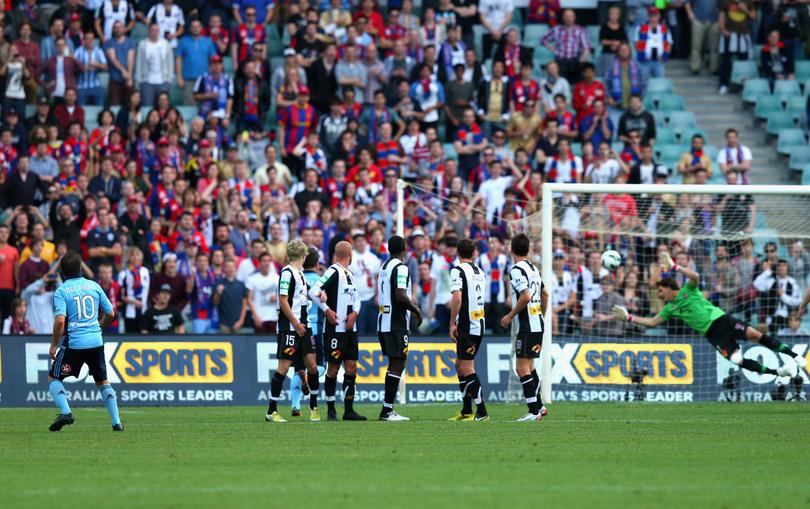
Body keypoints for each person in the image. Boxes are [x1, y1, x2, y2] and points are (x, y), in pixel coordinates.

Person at [612, 252, 806, 377]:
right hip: (712, 335)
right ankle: (778, 372)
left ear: (669, 288)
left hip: (722, 320)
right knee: (737, 360)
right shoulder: (670, 308)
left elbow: (695, 276)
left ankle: (794, 355)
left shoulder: (689, 290)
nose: (660, 295)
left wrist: (674, 267)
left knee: (756, 335)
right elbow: (653, 322)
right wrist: (629, 317)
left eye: (661, 291)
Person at [47, 251, 122, 432]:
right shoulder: (94, 286)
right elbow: (110, 313)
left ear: (63, 272)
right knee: (103, 381)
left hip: (75, 343)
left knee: (54, 377)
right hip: (96, 342)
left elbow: (59, 321)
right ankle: (116, 423)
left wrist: (54, 345)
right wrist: (99, 327)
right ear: (80, 268)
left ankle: (66, 412)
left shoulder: (62, 291)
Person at [308, 240, 367, 421]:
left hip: (351, 329)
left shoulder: (350, 273)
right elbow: (313, 291)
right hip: (335, 330)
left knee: (351, 367)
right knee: (333, 368)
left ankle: (349, 410)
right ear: (350, 255)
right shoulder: (333, 271)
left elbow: (357, 298)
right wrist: (327, 310)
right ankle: (331, 409)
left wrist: (356, 313)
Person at [265, 240, 321, 423]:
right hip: (290, 328)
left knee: (312, 366)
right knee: (283, 367)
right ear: (304, 256)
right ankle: (271, 411)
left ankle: (313, 407)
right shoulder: (287, 273)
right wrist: (296, 323)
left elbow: (304, 297)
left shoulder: (300, 274)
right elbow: (283, 301)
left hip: (304, 328)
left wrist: (321, 294)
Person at [500, 233, 550, 422]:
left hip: (527, 324)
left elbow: (526, 296)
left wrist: (509, 315)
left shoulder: (516, 269)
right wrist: (542, 316)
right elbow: (545, 294)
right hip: (537, 322)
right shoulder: (533, 269)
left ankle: (533, 411)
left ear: (511, 250)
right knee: (529, 366)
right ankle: (539, 406)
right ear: (528, 250)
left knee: (521, 368)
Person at [377, 235, 423, 421]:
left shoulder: (384, 267)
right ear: (405, 251)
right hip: (396, 323)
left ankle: (387, 409)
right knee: (398, 362)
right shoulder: (401, 268)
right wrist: (416, 310)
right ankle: (387, 411)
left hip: (384, 321)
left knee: (394, 362)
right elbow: (401, 295)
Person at [448, 238, 489, 421]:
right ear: (474, 253)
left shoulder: (457, 271)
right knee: (460, 365)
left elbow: (457, 298)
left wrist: (452, 323)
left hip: (468, 325)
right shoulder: (480, 271)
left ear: (458, 253)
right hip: (478, 322)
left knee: (467, 366)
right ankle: (466, 410)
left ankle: (481, 411)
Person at [246, 252, 279, 333]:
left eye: (268, 261)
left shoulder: (277, 278)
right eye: (264, 261)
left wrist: (277, 298)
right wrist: (255, 316)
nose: (266, 263)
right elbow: (249, 299)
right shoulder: (252, 279)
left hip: (274, 318)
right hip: (259, 318)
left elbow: (283, 296)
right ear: (259, 263)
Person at [213, 258, 248, 333]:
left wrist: (241, 320)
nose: (230, 269)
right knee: (224, 344)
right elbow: (215, 302)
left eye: (232, 266)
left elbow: (245, 304)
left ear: (236, 268)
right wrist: (218, 293)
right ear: (224, 269)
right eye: (228, 267)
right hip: (224, 324)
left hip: (238, 323)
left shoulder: (241, 285)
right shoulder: (219, 283)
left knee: (239, 344)